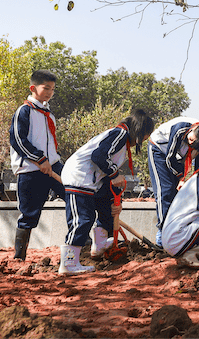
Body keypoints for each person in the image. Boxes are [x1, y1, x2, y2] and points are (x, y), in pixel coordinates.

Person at [59, 109, 154, 275]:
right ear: (140, 130)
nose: (145, 139)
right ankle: (68, 263)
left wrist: (116, 201)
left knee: (108, 204)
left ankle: (100, 243)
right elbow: (99, 156)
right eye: (146, 135)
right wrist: (115, 174)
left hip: (92, 180)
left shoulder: (121, 140)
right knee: (82, 219)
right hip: (79, 176)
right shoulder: (120, 134)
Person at [8, 70, 66, 261]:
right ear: (33, 88)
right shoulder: (23, 111)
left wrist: (51, 160)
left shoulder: (49, 114)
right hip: (31, 170)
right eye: (46, 88)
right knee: (29, 213)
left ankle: (82, 244)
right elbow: (17, 139)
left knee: (74, 197)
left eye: (53, 89)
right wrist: (39, 159)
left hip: (53, 166)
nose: (50, 92)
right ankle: (19, 256)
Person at [146, 119, 199, 248]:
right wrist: (181, 178)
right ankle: (163, 234)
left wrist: (192, 182)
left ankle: (178, 232)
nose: (190, 142)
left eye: (194, 144)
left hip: (177, 157)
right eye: (191, 139)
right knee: (166, 191)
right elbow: (170, 159)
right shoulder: (180, 129)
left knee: (178, 194)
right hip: (159, 150)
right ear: (193, 130)